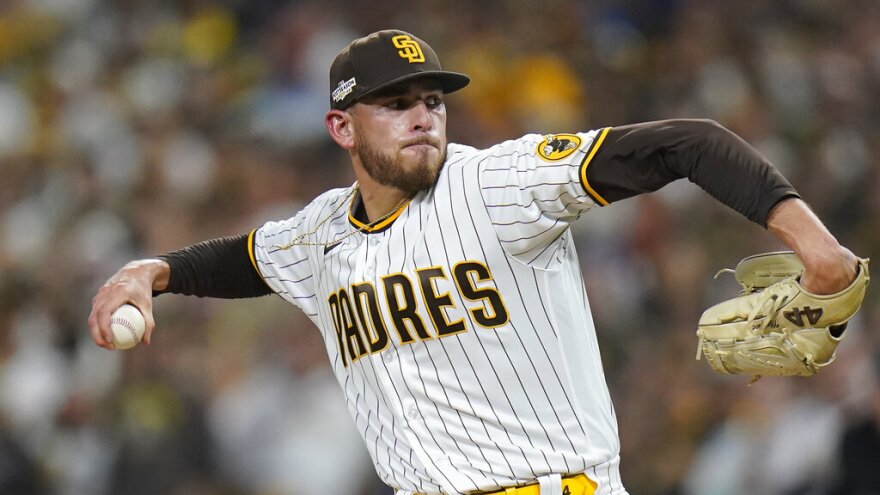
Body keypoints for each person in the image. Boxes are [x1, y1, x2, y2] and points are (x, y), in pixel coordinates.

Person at [88, 30, 859, 495]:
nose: (423, 115)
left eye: (433, 98)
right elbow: (241, 260)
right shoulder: (321, 232)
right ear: (341, 127)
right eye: (396, 102)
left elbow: (686, 143)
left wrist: (815, 248)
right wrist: (149, 272)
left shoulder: (497, 182)